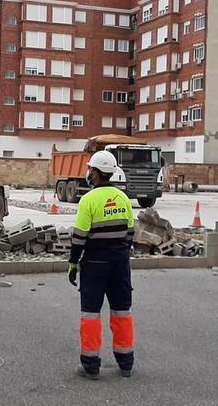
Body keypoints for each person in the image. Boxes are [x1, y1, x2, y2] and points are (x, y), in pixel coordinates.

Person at [68, 150, 135, 380]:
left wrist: (72, 263)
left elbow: (79, 237)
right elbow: (130, 232)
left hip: (95, 264)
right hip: (120, 264)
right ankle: (126, 363)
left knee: (90, 314)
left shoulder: (88, 200)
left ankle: (90, 365)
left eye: (89, 169)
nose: (88, 173)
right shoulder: (123, 198)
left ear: (95, 173)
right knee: (122, 311)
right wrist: (119, 253)